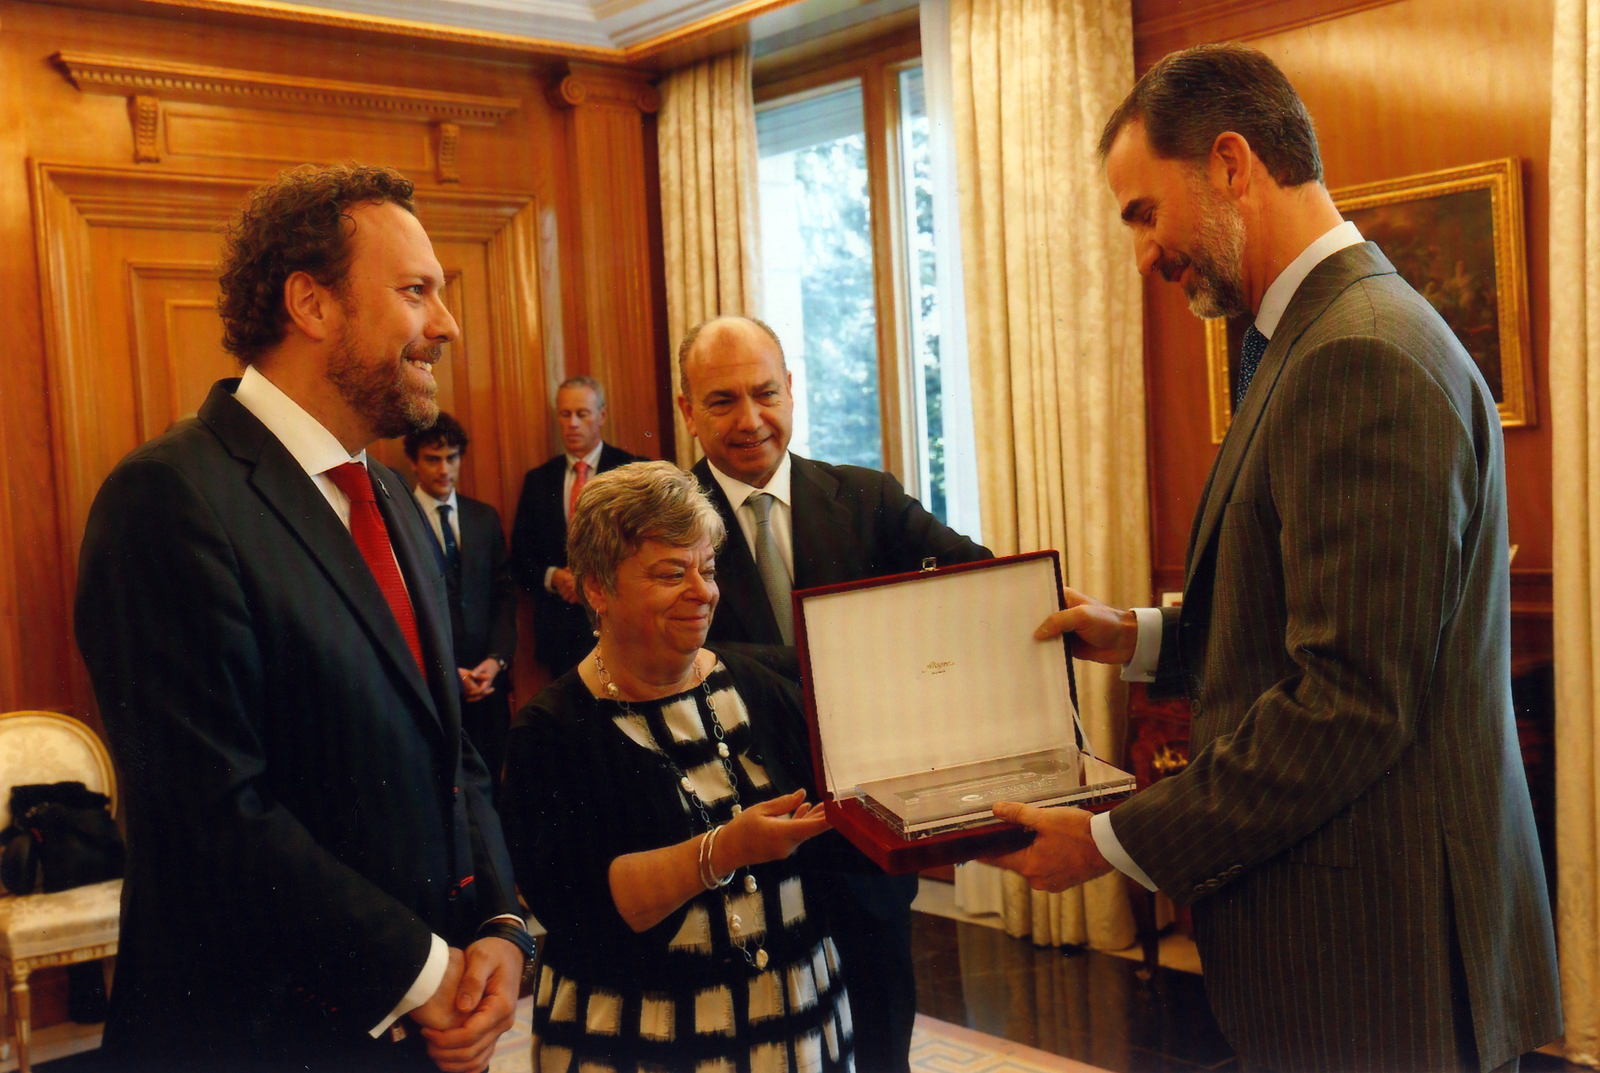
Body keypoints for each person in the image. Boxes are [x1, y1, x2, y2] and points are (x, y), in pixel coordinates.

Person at [987, 44, 1560, 1072]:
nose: (1141, 253)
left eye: (1140, 212)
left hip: (1377, 959)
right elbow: (1317, 608)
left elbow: (1348, 697)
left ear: (1230, 164)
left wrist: (1112, 841)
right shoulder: (1315, 334)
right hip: (1364, 941)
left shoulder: (1356, 353)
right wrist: (1138, 635)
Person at [74, 164, 533, 1073]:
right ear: (310, 304)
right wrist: (425, 971)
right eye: (416, 291)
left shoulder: (396, 500)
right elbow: (211, 814)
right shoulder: (166, 497)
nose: (446, 324)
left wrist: (502, 925)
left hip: (424, 1034)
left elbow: (454, 751)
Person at [677, 315, 991, 1073]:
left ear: (793, 391)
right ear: (687, 410)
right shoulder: (662, 521)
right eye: (722, 401)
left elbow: (972, 581)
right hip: (734, 834)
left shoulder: (868, 498)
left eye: (765, 393)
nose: (750, 420)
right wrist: (844, 656)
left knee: (882, 1037)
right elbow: (673, 657)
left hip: (866, 830)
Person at [500, 461, 853, 1071]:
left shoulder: (761, 685)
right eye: (672, 574)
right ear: (597, 589)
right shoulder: (551, 731)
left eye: (709, 569)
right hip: (640, 1038)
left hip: (795, 1020)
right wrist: (723, 851)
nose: (703, 591)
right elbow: (575, 907)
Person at [405, 411, 518, 793]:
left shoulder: (482, 518)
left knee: (495, 789)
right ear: (414, 461)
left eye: (451, 457)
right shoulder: (400, 519)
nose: (443, 469)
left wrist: (496, 660)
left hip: (489, 685)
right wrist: (445, 672)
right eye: (432, 459)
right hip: (433, 686)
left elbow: (504, 597)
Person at [510, 376, 643, 678]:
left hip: (619, 624)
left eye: (582, 414)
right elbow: (520, 556)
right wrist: (555, 577)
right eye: (565, 414)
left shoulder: (633, 472)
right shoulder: (539, 481)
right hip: (560, 632)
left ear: (602, 415)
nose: (572, 423)